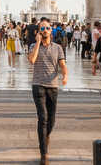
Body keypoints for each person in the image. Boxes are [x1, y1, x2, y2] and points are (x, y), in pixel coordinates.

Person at [27, 18, 67, 165]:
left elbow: (62, 64)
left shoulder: (57, 48)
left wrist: (65, 75)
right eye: (42, 29)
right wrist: (37, 42)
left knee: (51, 120)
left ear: (51, 30)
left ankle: (45, 136)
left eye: (47, 28)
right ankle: (44, 153)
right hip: (38, 85)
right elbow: (32, 60)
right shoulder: (32, 45)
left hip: (53, 86)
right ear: (38, 31)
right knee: (43, 117)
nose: (44, 31)